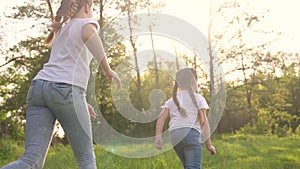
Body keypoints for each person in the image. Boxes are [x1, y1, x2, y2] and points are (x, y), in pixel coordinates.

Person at [1, 0, 121, 169]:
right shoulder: (87, 23)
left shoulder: (63, 29)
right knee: (86, 159)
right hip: (65, 90)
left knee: (31, 161)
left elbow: (61, 68)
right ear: (87, 7)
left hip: (39, 89)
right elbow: (89, 35)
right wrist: (108, 70)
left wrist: (80, 102)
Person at [155, 68, 216, 169]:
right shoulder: (199, 98)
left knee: (188, 166)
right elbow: (204, 123)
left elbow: (161, 118)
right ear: (193, 81)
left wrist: (158, 137)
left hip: (175, 135)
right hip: (191, 134)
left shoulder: (172, 100)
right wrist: (209, 145)